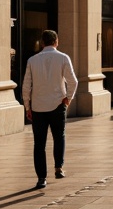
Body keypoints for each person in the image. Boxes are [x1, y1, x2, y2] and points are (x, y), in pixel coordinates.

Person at [22, 30, 77, 190]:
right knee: (59, 136)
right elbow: (73, 81)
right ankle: (58, 167)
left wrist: (27, 106)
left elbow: (26, 86)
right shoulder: (63, 58)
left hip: (38, 106)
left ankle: (41, 178)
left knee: (39, 144)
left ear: (42, 42)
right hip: (57, 104)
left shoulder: (32, 60)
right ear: (56, 41)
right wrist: (68, 98)